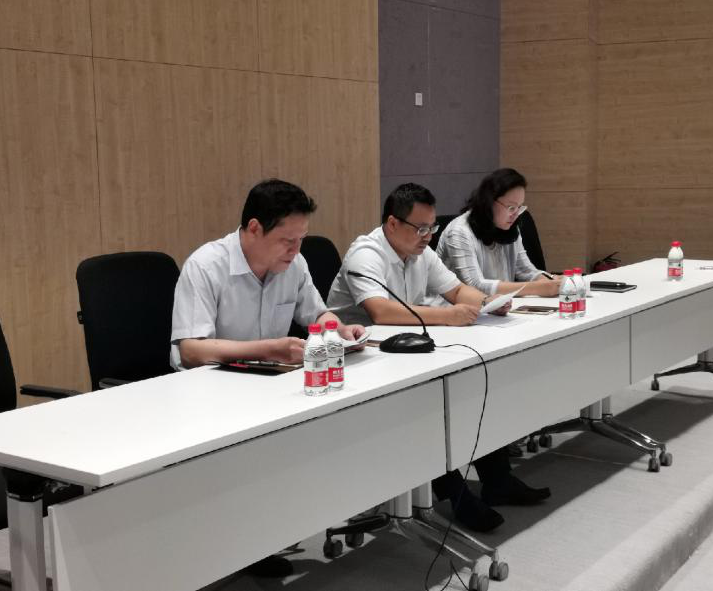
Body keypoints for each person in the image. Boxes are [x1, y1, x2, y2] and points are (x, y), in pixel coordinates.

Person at [170, 178, 365, 576]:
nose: (295, 250)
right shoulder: (206, 266)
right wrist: (267, 348)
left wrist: (339, 328)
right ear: (254, 228)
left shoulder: (294, 265)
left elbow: (317, 313)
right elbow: (191, 350)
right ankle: (232, 547)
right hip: (206, 393)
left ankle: (259, 538)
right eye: (287, 240)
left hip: (267, 383)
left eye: (301, 240)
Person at [327, 183, 548, 534]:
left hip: (404, 353)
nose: (428, 236)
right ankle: (456, 497)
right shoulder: (366, 254)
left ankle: (497, 479)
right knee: (428, 407)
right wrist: (448, 316)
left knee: (469, 387)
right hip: (357, 365)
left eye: (432, 227)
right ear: (392, 223)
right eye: (421, 228)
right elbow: (380, 311)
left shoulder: (420, 251)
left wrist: (484, 303)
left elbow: (456, 289)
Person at [435, 168, 561, 298]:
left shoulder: (510, 226)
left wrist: (550, 280)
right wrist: (535, 288)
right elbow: (474, 285)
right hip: (452, 307)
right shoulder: (459, 232)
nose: (515, 214)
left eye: (519, 208)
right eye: (511, 207)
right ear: (489, 202)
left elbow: (525, 270)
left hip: (498, 305)